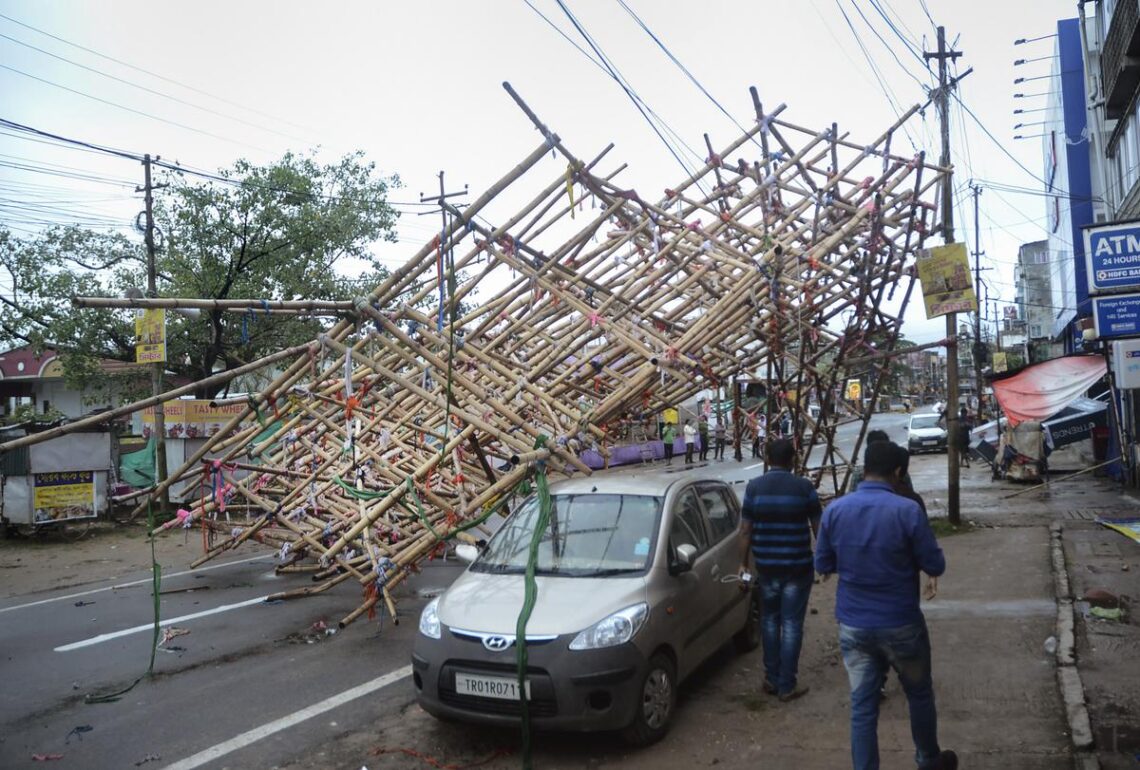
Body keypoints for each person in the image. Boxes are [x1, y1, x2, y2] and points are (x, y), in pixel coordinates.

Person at [815, 441, 955, 770]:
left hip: (854, 625)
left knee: (862, 707)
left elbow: (822, 562)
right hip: (901, 624)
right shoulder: (907, 511)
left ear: (865, 468)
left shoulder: (835, 510)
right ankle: (928, 760)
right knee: (919, 694)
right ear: (897, 472)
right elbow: (934, 565)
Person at [740, 438, 821, 702]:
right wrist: (825, 558)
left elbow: (745, 530)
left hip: (766, 567)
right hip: (797, 567)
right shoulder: (804, 488)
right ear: (793, 459)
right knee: (792, 623)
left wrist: (743, 563)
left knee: (769, 621)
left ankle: (772, 679)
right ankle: (787, 684)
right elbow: (818, 526)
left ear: (766, 458)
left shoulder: (754, 488)